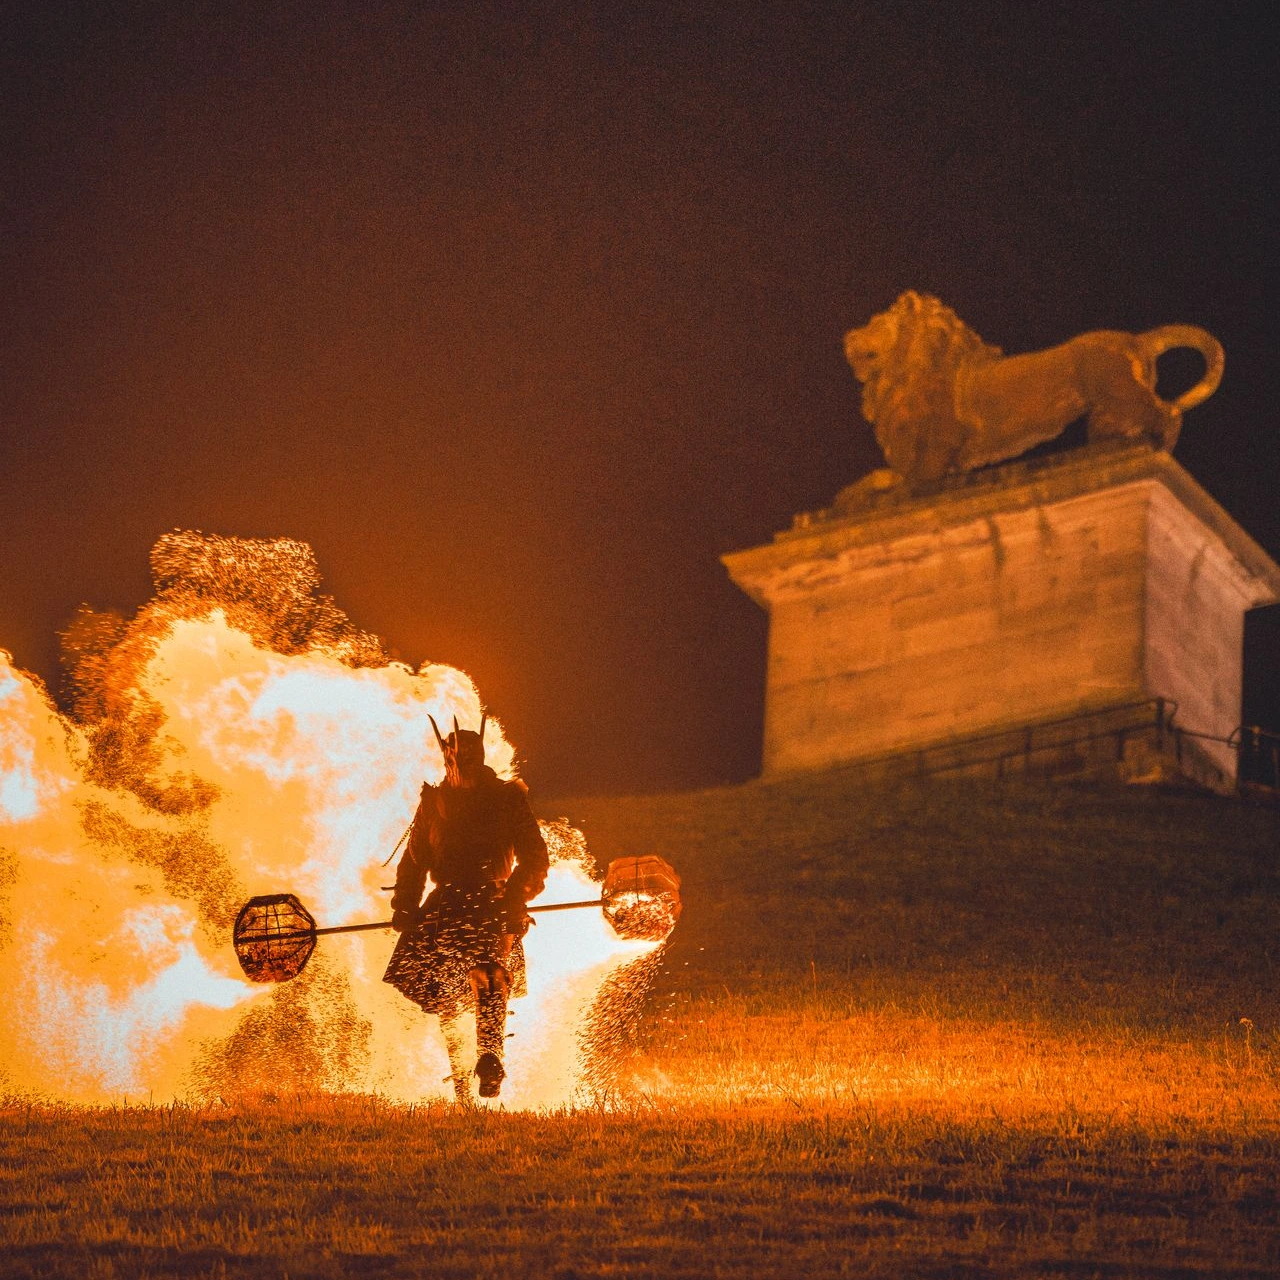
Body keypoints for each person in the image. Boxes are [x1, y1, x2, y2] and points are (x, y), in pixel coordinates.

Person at [382, 713, 549, 1101]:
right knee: (449, 998)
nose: (461, 766)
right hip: (446, 907)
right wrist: (405, 905)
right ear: (447, 759)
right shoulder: (434, 801)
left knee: (490, 976)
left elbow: (535, 858)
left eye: (468, 759)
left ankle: (490, 1055)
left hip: (495, 903)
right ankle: (462, 1086)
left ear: (480, 756)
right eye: (456, 759)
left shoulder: (508, 798)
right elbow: (414, 860)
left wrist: (515, 900)